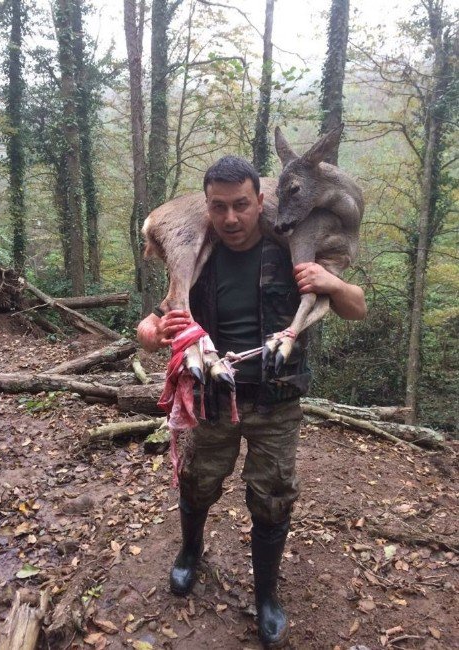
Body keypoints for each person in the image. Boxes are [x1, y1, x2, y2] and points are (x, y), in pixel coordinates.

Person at [137, 156, 366, 649]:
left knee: (272, 496)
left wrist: (334, 284)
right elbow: (156, 320)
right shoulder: (199, 255)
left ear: (261, 202)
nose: (231, 218)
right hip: (211, 401)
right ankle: (189, 553)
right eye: (219, 207)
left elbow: (355, 307)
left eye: (241, 205)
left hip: (275, 403)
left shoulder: (292, 250)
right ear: (207, 208)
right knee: (198, 482)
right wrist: (149, 332)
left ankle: (266, 596)